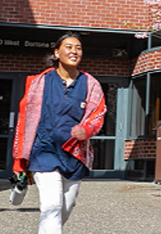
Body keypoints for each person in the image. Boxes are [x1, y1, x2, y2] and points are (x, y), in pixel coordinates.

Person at [12, 32, 106, 234]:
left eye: (78, 48)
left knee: (65, 207)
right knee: (51, 206)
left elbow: (99, 114)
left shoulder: (91, 84)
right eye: (69, 46)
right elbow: (24, 121)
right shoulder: (40, 82)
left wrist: (87, 129)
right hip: (43, 151)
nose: (74, 51)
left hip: (74, 155)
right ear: (57, 52)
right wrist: (19, 161)